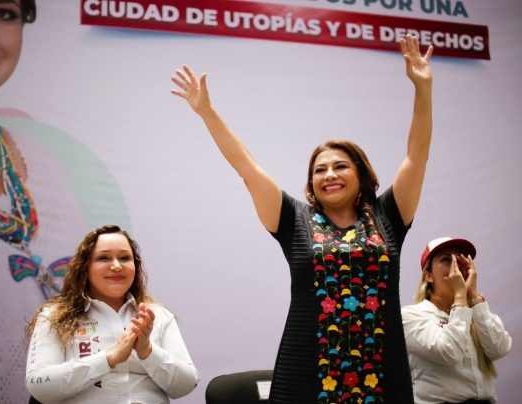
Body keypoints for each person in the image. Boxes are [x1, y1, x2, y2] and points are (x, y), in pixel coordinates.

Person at [171, 35, 433, 403]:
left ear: (360, 173)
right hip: (306, 373)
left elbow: (416, 156)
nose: (329, 174)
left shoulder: (389, 215)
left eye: (340, 166)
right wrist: (207, 112)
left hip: (381, 373)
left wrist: (423, 87)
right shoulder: (294, 219)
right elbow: (247, 167)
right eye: (319, 169)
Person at [25, 224, 199, 403]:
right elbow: (39, 386)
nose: (116, 266)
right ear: (85, 268)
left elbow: (185, 386)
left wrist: (147, 351)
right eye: (104, 258)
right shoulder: (55, 316)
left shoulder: (157, 315)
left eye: (124, 258)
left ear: (135, 266)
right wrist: (109, 358)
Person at [401, 237, 511, 404]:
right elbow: (448, 352)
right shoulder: (411, 315)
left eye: (460, 258)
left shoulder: (474, 311)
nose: (456, 265)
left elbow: (500, 349)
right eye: (446, 259)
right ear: (429, 276)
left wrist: (473, 296)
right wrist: (460, 296)